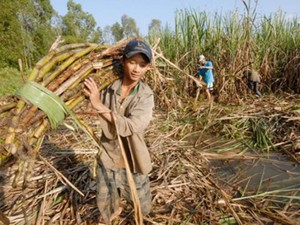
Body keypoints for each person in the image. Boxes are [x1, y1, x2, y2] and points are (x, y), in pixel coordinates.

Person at [83, 39, 154, 224]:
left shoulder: (145, 95)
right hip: (108, 156)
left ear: (148, 68)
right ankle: (112, 214)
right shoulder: (108, 87)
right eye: (132, 62)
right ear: (123, 61)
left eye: (142, 65)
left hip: (134, 159)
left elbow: (132, 126)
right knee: (105, 204)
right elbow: (90, 97)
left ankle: (130, 208)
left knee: (143, 207)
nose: (137, 69)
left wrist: (100, 106)